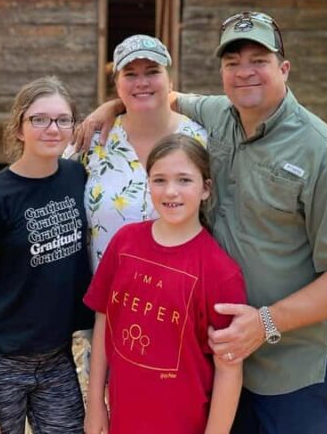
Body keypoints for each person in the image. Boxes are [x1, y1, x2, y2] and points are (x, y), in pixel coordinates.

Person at [76, 12, 327, 434]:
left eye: (259, 60)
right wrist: (111, 106)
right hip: (215, 357)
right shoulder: (218, 114)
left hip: (291, 366)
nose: (244, 72)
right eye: (232, 62)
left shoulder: (324, 155)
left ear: (284, 69)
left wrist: (265, 322)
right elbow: (162, 95)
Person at [84, 133, 247, 434]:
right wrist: (95, 404)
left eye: (184, 180)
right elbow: (104, 320)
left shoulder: (220, 272)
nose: (171, 191)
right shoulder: (125, 243)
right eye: (159, 180)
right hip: (123, 420)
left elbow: (229, 369)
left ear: (205, 189)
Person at [0, 76, 93, 434]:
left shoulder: (78, 177)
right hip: (2, 362)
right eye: (39, 119)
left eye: (63, 119)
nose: (52, 128)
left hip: (58, 358)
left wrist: (110, 106)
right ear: (19, 128)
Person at [72, 34, 206, 271]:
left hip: (179, 296)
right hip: (105, 300)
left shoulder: (201, 140)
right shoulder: (92, 141)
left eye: (152, 72)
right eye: (130, 74)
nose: (141, 82)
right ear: (117, 85)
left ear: (171, 82)